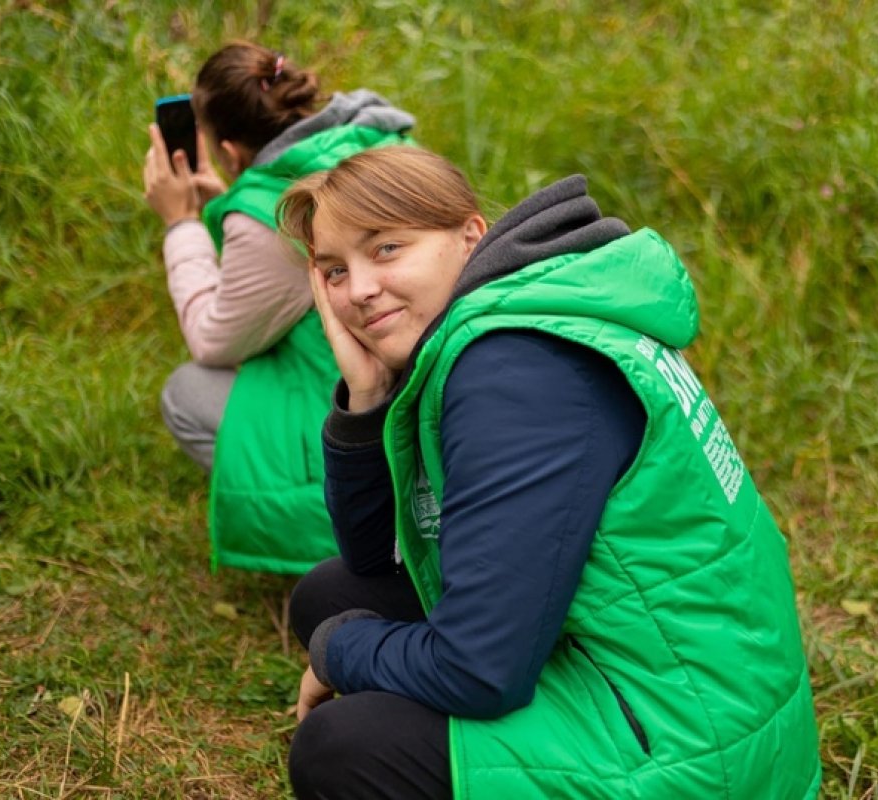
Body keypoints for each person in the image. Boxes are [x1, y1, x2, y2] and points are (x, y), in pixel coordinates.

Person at [278, 146, 821, 799]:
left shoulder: (514, 372)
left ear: (470, 236)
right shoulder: (528, 312)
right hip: (687, 677)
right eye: (335, 270)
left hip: (691, 747)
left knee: (344, 748)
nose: (359, 291)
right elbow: (373, 557)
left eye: (388, 248)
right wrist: (365, 399)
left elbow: (477, 672)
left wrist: (339, 649)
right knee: (333, 594)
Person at [141, 42, 415, 573]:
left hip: (370, 419)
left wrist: (182, 225)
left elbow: (214, 339)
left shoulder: (271, 217)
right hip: (425, 393)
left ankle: (347, 536)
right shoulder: (376, 143)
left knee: (187, 391)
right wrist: (234, 197)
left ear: (227, 147)